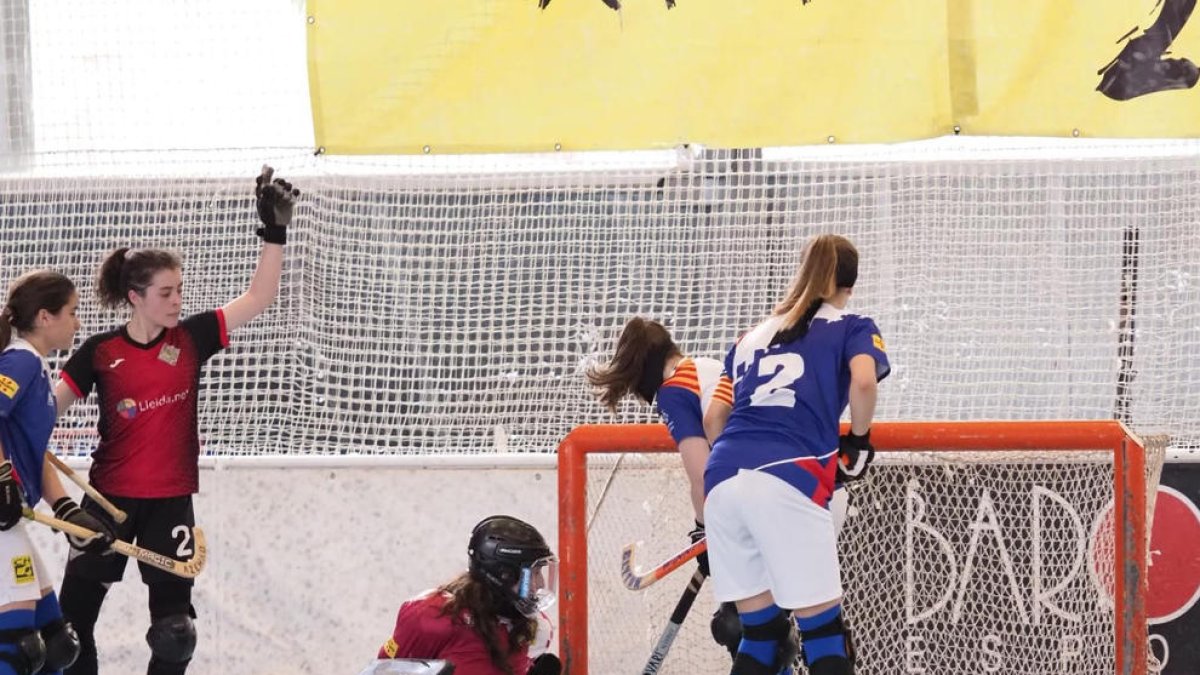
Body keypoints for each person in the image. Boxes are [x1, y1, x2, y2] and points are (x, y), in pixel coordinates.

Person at [51, 167, 300, 675]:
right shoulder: (100, 353)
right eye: (165, 293)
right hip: (106, 504)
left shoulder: (191, 339)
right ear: (134, 297)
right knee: (71, 632)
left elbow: (259, 299)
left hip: (170, 505)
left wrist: (274, 234)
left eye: (179, 290)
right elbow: (44, 411)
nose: (177, 301)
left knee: (175, 635)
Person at [702, 234, 889, 675]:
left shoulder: (750, 336)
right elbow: (864, 382)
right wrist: (858, 442)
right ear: (849, 286)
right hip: (788, 474)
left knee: (761, 635)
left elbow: (714, 419)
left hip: (723, 477)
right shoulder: (852, 323)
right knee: (823, 634)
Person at [0, 270, 115, 675]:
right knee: (18, 648)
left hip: (9, 522)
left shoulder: (34, 366)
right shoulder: (20, 361)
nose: (78, 322)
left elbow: (36, 453)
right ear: (45, 317)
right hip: (1, 523)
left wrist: (67, 511)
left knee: (56, 644)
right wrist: (1, 478)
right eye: (72, 312)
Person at [376, 515, 561, 675]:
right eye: (534, 573)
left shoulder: (537, 629)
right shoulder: (431, 616)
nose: (541, 584)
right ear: (503, 574)